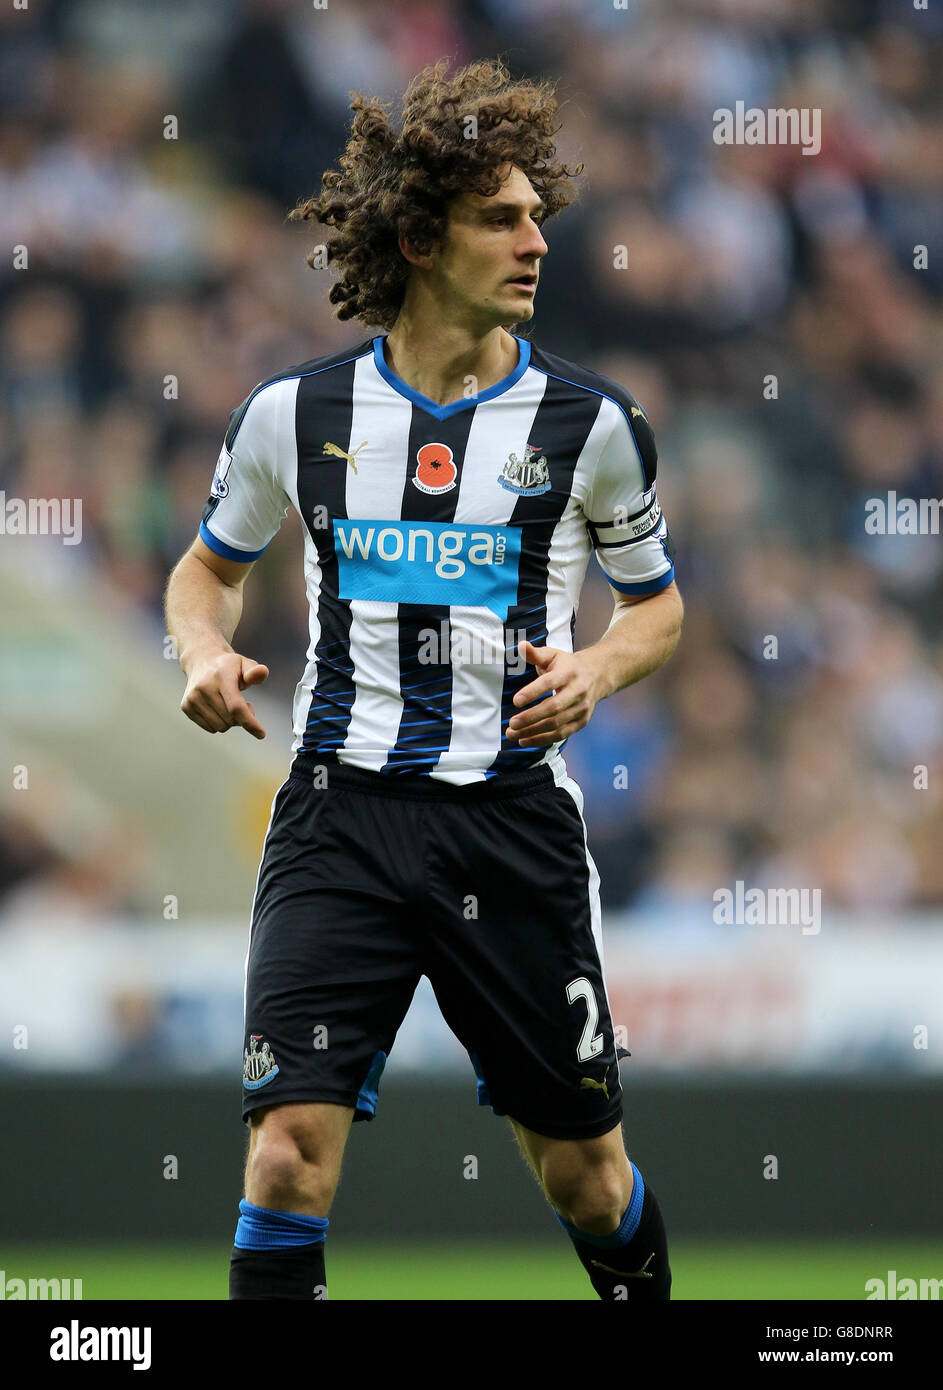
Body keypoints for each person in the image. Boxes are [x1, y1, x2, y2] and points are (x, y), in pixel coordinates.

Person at [164, 56, 683, 1302]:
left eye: (537, 217)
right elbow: (204, 574)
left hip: (509, 823)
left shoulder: (590, 425)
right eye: (500, 218)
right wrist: (202, 651)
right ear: (418, 239)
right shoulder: (295, 414)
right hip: (337, 817)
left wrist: (597, 670)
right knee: (285, 1154)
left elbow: (657, 607)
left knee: (586, 1180)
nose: (536, 241)